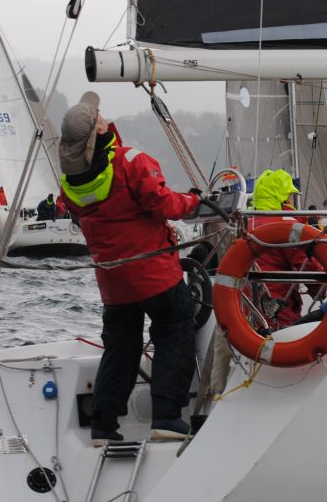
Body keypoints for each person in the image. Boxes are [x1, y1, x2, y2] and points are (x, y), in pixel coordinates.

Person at [58, 91, 199, 445]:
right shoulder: (131, 162)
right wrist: (195, 200)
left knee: (121, 347)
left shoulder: (69, 186)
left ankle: (103, 427)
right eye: (98, 115)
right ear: (99, 129)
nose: (102, 115)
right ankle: (167, 418)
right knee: (175, 325)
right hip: (154, 274)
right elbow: (164, 204)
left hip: (113, 282)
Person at [247, 169, 325, 330]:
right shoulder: (287, 226)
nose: (293, 200)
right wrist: (319, 291)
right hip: (280, 310)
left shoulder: (248, 224)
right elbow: (307, 264)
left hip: (248, 310)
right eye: (291, 196)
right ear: (282, 198)